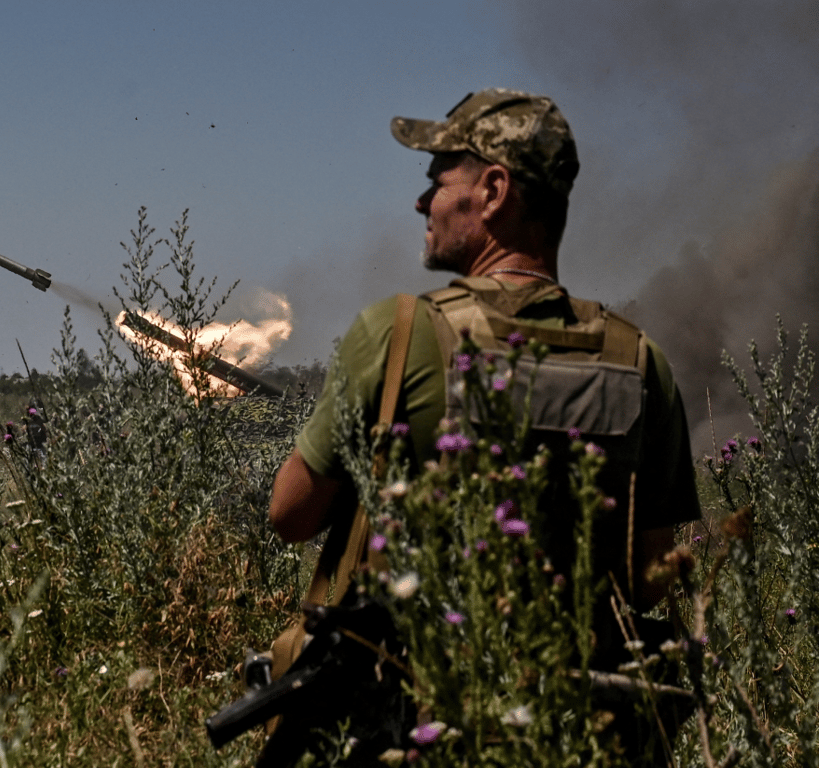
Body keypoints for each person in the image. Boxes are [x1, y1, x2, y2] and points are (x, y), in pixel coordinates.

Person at [267, 89, 701, 759]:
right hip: (579, 733)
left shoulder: (399, 333)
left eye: (438, 180)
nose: (422, 203)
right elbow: (650, 578)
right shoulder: (640, 361)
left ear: (494, 190)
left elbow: (291, 514)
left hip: (418, 723)